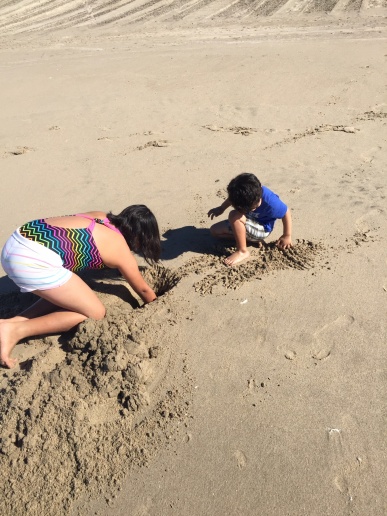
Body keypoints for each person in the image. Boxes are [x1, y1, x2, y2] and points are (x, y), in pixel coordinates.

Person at [0, 205, 160, 368]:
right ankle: (17, 330)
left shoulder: (100, 216)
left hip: (19, 239)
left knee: (71, 294)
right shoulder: (119, 248)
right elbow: (143, 290)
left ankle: (12, 322)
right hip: (29, 261)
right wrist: (156, 305)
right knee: (96, 312)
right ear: (140, 237)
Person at [208, 173, 292, 266]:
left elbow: (286, 212)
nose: (256, 207)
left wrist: (286, 235)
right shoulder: (239, 194)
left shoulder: (271, 202)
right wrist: (221, 208)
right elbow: (232, 198)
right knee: (214, 231)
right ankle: (249, 240)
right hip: (247, 222)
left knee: (234, 215)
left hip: (262, 228)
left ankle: (242, 251)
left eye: (254, 207)